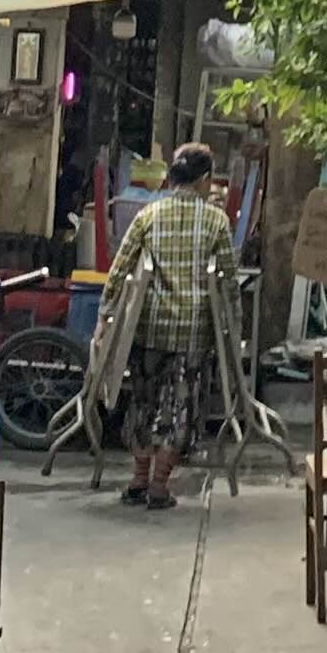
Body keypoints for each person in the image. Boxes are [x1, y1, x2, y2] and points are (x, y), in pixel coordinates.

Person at [108, 143, 234, 509]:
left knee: (144, 402)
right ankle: (159, 486)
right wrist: (233, 328)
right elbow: (228, 282)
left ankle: (138, 480)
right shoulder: (216, 221)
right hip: (192, 332)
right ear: (204, 180)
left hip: (148, 328)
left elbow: (119, 269)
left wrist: (105, 317)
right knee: (180, 408)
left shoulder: (148, 215)